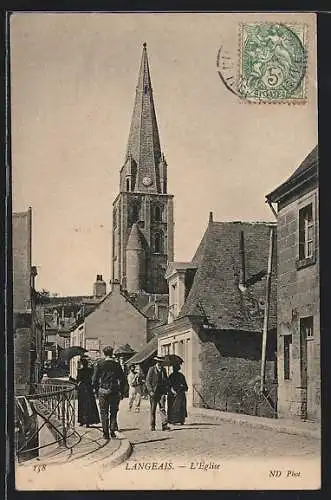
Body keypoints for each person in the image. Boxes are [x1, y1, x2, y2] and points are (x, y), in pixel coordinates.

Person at [92, 346, 125, 440]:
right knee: (113, 412)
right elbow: (122, 379)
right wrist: (122, 392)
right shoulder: (117, 364)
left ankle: (105, 433)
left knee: (103, 412)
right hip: (114, 391)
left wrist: (96, 390)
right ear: (112, 353)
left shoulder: (100, 364)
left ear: (104, 353)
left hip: (103, 390)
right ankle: (112, 431)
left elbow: (94, 379)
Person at [145, 356, 170, 431]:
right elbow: (147, 381)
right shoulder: (151, 369)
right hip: (154, 392)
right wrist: (150, 391)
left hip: (161, 392)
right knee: (153, 409)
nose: (160, 363)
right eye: (158, 362)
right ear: (156, 362)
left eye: (161, 362)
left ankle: (164, 425)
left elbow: (166, 381)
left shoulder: (163, 370)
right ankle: (152, 425)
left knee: (162, 408)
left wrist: (167, 387)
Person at [76, 357, 100, 427]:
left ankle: (82, 421)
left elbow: (78, 380)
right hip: (89, 388)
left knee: (82, 405)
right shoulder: (90, 370)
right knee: (89, 405)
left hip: (82, 389)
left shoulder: (80, 371)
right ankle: (89, 421)